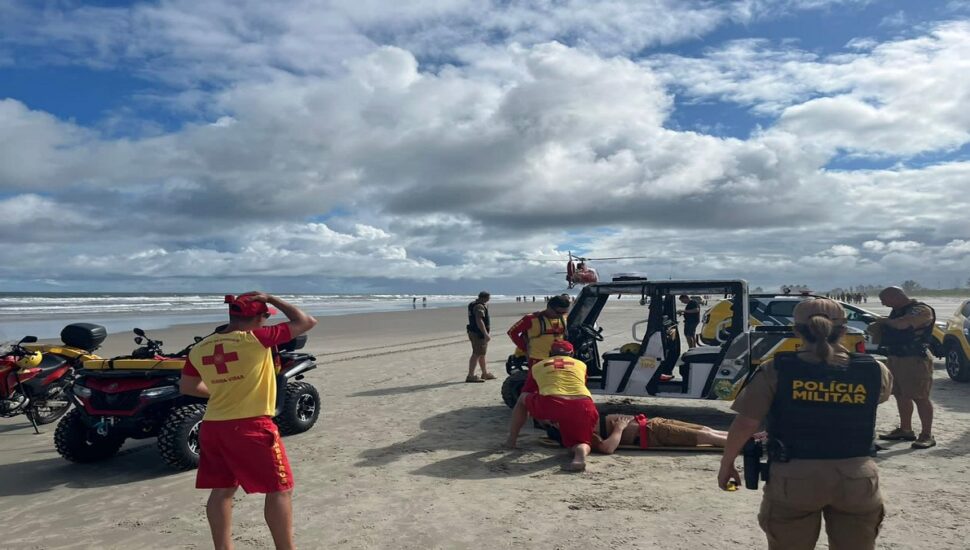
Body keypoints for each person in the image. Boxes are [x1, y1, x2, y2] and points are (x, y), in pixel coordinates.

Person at [717, 299, 892, 550]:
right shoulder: (875, 369)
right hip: (857, 477)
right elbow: (878, 398)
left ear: (796, 330)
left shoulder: (776, 369)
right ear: (844, 330)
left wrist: (727, 464)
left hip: (794, 477)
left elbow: (746, 423)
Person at [179, 292, 318, 550]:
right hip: (251, 426)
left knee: (222, 490)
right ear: (258, 318)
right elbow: (306, 321)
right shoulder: (256, 338)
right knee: (280, 489)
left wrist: (224, 391)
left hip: (213, 426)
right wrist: (272, 298)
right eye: (265, 316)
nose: (266, 321)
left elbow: (188, 386)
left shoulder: (200, 348)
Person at [505, 340, 598, 472]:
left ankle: (511, 441)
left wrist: (543, 416)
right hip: (584, 405)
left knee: (522, 398)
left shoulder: (538, 366)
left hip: (553, 403)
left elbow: (528, 391)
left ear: (550, 353)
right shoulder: (581, 365)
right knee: (581, 442)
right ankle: (579, 457)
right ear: (572, 354)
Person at [869, 286, 937, 448]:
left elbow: (903, 325)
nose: (884, 304)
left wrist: (884, 321)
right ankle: (906, 430)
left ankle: (927, 434)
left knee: (920, 396)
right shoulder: (897, 311)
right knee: (900, 395)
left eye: (885, 300)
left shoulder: (921, 310)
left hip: (914, 358)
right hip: (896, 356)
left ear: (895, 296)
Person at [543, 412, 737, 453]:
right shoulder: (583, 435)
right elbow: (607, 448)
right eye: (555, 422)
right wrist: (619, 428)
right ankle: (745, 444)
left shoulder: (578, 421)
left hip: (654, 423)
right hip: (652, 433)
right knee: (706, 437)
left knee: (706, 430)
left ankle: (746, 438)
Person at [507, 293, 570, 395]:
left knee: (557, 382)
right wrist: (524, 348)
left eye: (564, 312)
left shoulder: (563, 317)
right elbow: (512, 332)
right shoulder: (531, 319)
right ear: (549, 307)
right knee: (535, 384)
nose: (561, 315)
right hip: (538, 358)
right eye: (558, 312)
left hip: (558, 358)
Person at [465, 291, 495, 383]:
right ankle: (470, 375)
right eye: (488, 298)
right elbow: (479, 320)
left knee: (482, 353)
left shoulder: (473, 304)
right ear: (484, 298)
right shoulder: (479, 306)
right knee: (476, 353)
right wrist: (485, 334)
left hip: (474, 332)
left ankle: (484, 373)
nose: (489, 300)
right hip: (478, 333)